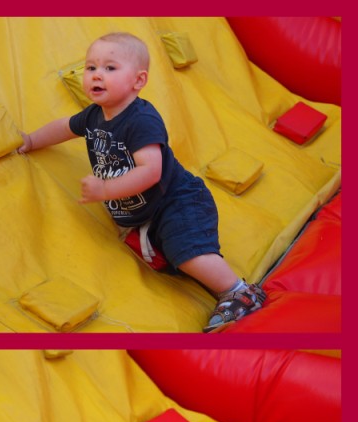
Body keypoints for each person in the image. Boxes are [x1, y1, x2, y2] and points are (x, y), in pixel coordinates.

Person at [17, 32, 265, 332]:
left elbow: (151, 171)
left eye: (110, 68)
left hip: (178, 201)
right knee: (171, 260)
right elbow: (64, 127)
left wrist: (105, 189)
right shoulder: (94, 116)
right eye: (91, 67)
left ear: (138, 81)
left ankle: (239, 292)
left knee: (187, 253)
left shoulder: (141, 120)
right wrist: (31, 141)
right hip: (149, 211)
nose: (96, 74)